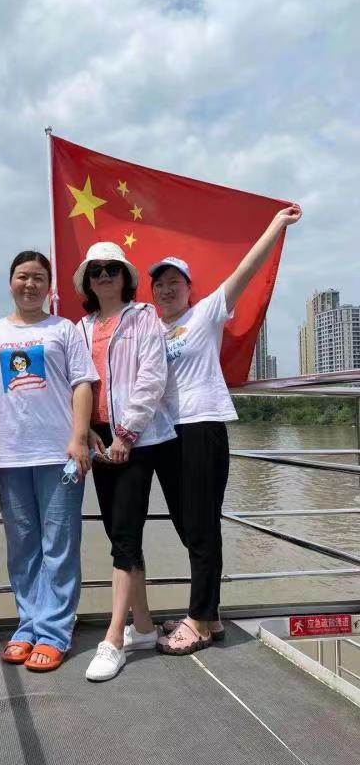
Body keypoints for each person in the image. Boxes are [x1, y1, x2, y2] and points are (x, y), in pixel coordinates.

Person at [151, 204, 303, 655]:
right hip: (166, 434)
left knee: (201, 526)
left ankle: (198, 621)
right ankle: (211, 614)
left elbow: (245, 270)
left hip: (202, 426)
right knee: (187, 526)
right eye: (159, 284)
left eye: (175, 282)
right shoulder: (150, 328)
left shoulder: (205, 313)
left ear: (189, 289)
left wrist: (276, 225)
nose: (167, 289)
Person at [73, 242, 175, 682]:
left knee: (126, 535)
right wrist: (86, 431)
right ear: (87, 280)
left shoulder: (143, 316)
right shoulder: (80, 327)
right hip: (99, 440)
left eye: (111, 269)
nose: (103, 275)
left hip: (137, 441)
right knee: (119, 533)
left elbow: (152, 376)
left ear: (125, 277)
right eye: (96, 270)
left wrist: (127, 433)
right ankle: (145, 627)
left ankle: (114, 639)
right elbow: (75, 381)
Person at [0, 251, 98, 672]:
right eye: (23, 276)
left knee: (59, 544)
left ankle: (54, 631)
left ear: (49, 286)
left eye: (39, 277)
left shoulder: (64, 329)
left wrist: (79, 438)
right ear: (10, 282)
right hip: (9, 453)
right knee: (22, 546)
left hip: (59, 453)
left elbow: (83, 383)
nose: (30, 284)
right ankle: (28, 625)